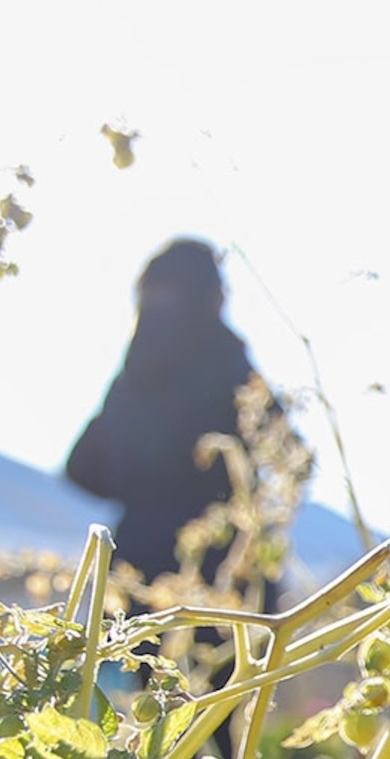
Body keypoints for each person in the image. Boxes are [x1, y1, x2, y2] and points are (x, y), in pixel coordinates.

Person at [65, 239, 260, 584]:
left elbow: (82, 467)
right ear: (213, 294)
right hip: (218, 562)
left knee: (134, 637)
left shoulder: (136, 374)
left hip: (137, 564)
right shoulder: (228, 361)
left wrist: (143, 494)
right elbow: (279, 451)